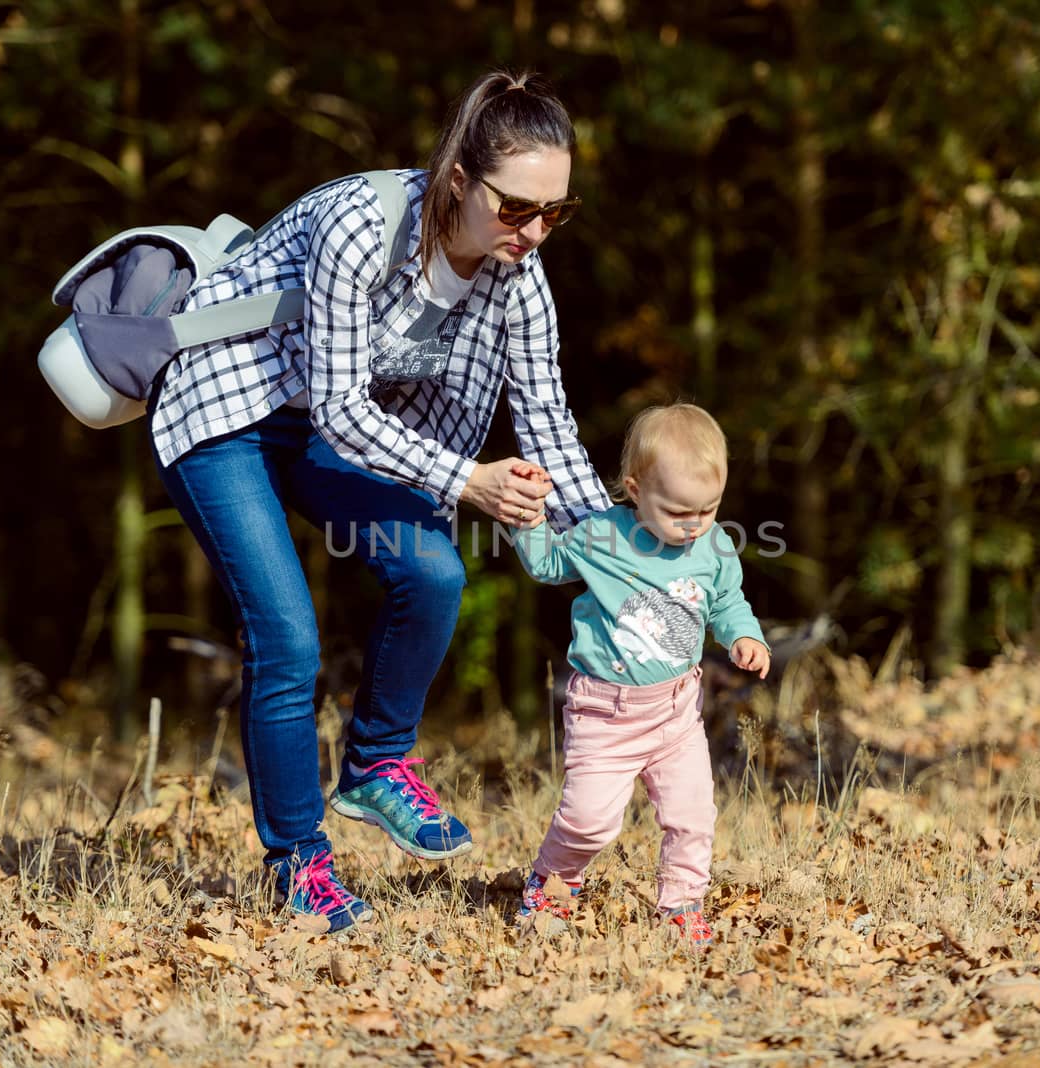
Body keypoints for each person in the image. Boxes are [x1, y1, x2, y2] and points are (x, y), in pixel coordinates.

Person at [147, 70, 611, 931]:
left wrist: (618, 556)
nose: (537, 232)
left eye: (557, 212)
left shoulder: (519, 276)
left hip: (332, 430)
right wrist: (470, 481)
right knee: (287, 636)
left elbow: (547, 413)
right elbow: (343, 408)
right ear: (461, 180)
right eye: (517, 209)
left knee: (434, 575)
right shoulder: (361, 224)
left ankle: (374, 766)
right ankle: (298, 865)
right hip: (226, 408)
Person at [512, 403, 770, 948]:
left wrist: (745, 636)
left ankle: (680, 905)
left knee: (693, 815)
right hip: (605, 712)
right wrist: (527, 520)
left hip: (677, 712)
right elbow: (549, 565)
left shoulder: (714, 547)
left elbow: (727, 601)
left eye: (708, 508)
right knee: (588, 821)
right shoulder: (602, 536)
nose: (694, 524)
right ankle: (551, 884)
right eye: (678, 512)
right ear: (635, 489)